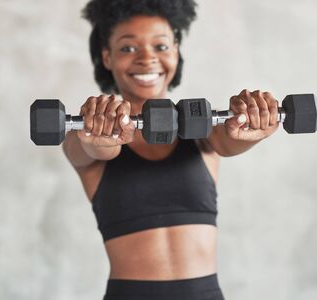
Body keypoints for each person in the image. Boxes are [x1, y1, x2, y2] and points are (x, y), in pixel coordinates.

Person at [62, 0, 279, 299]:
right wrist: (96, 137)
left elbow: (232, 139)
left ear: (176, 52)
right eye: (128, 48)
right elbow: (91, 149)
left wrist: (254, 128)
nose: (146, 59)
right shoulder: (81, 133)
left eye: (161, 46)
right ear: (107, 57)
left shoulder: (203, 130)